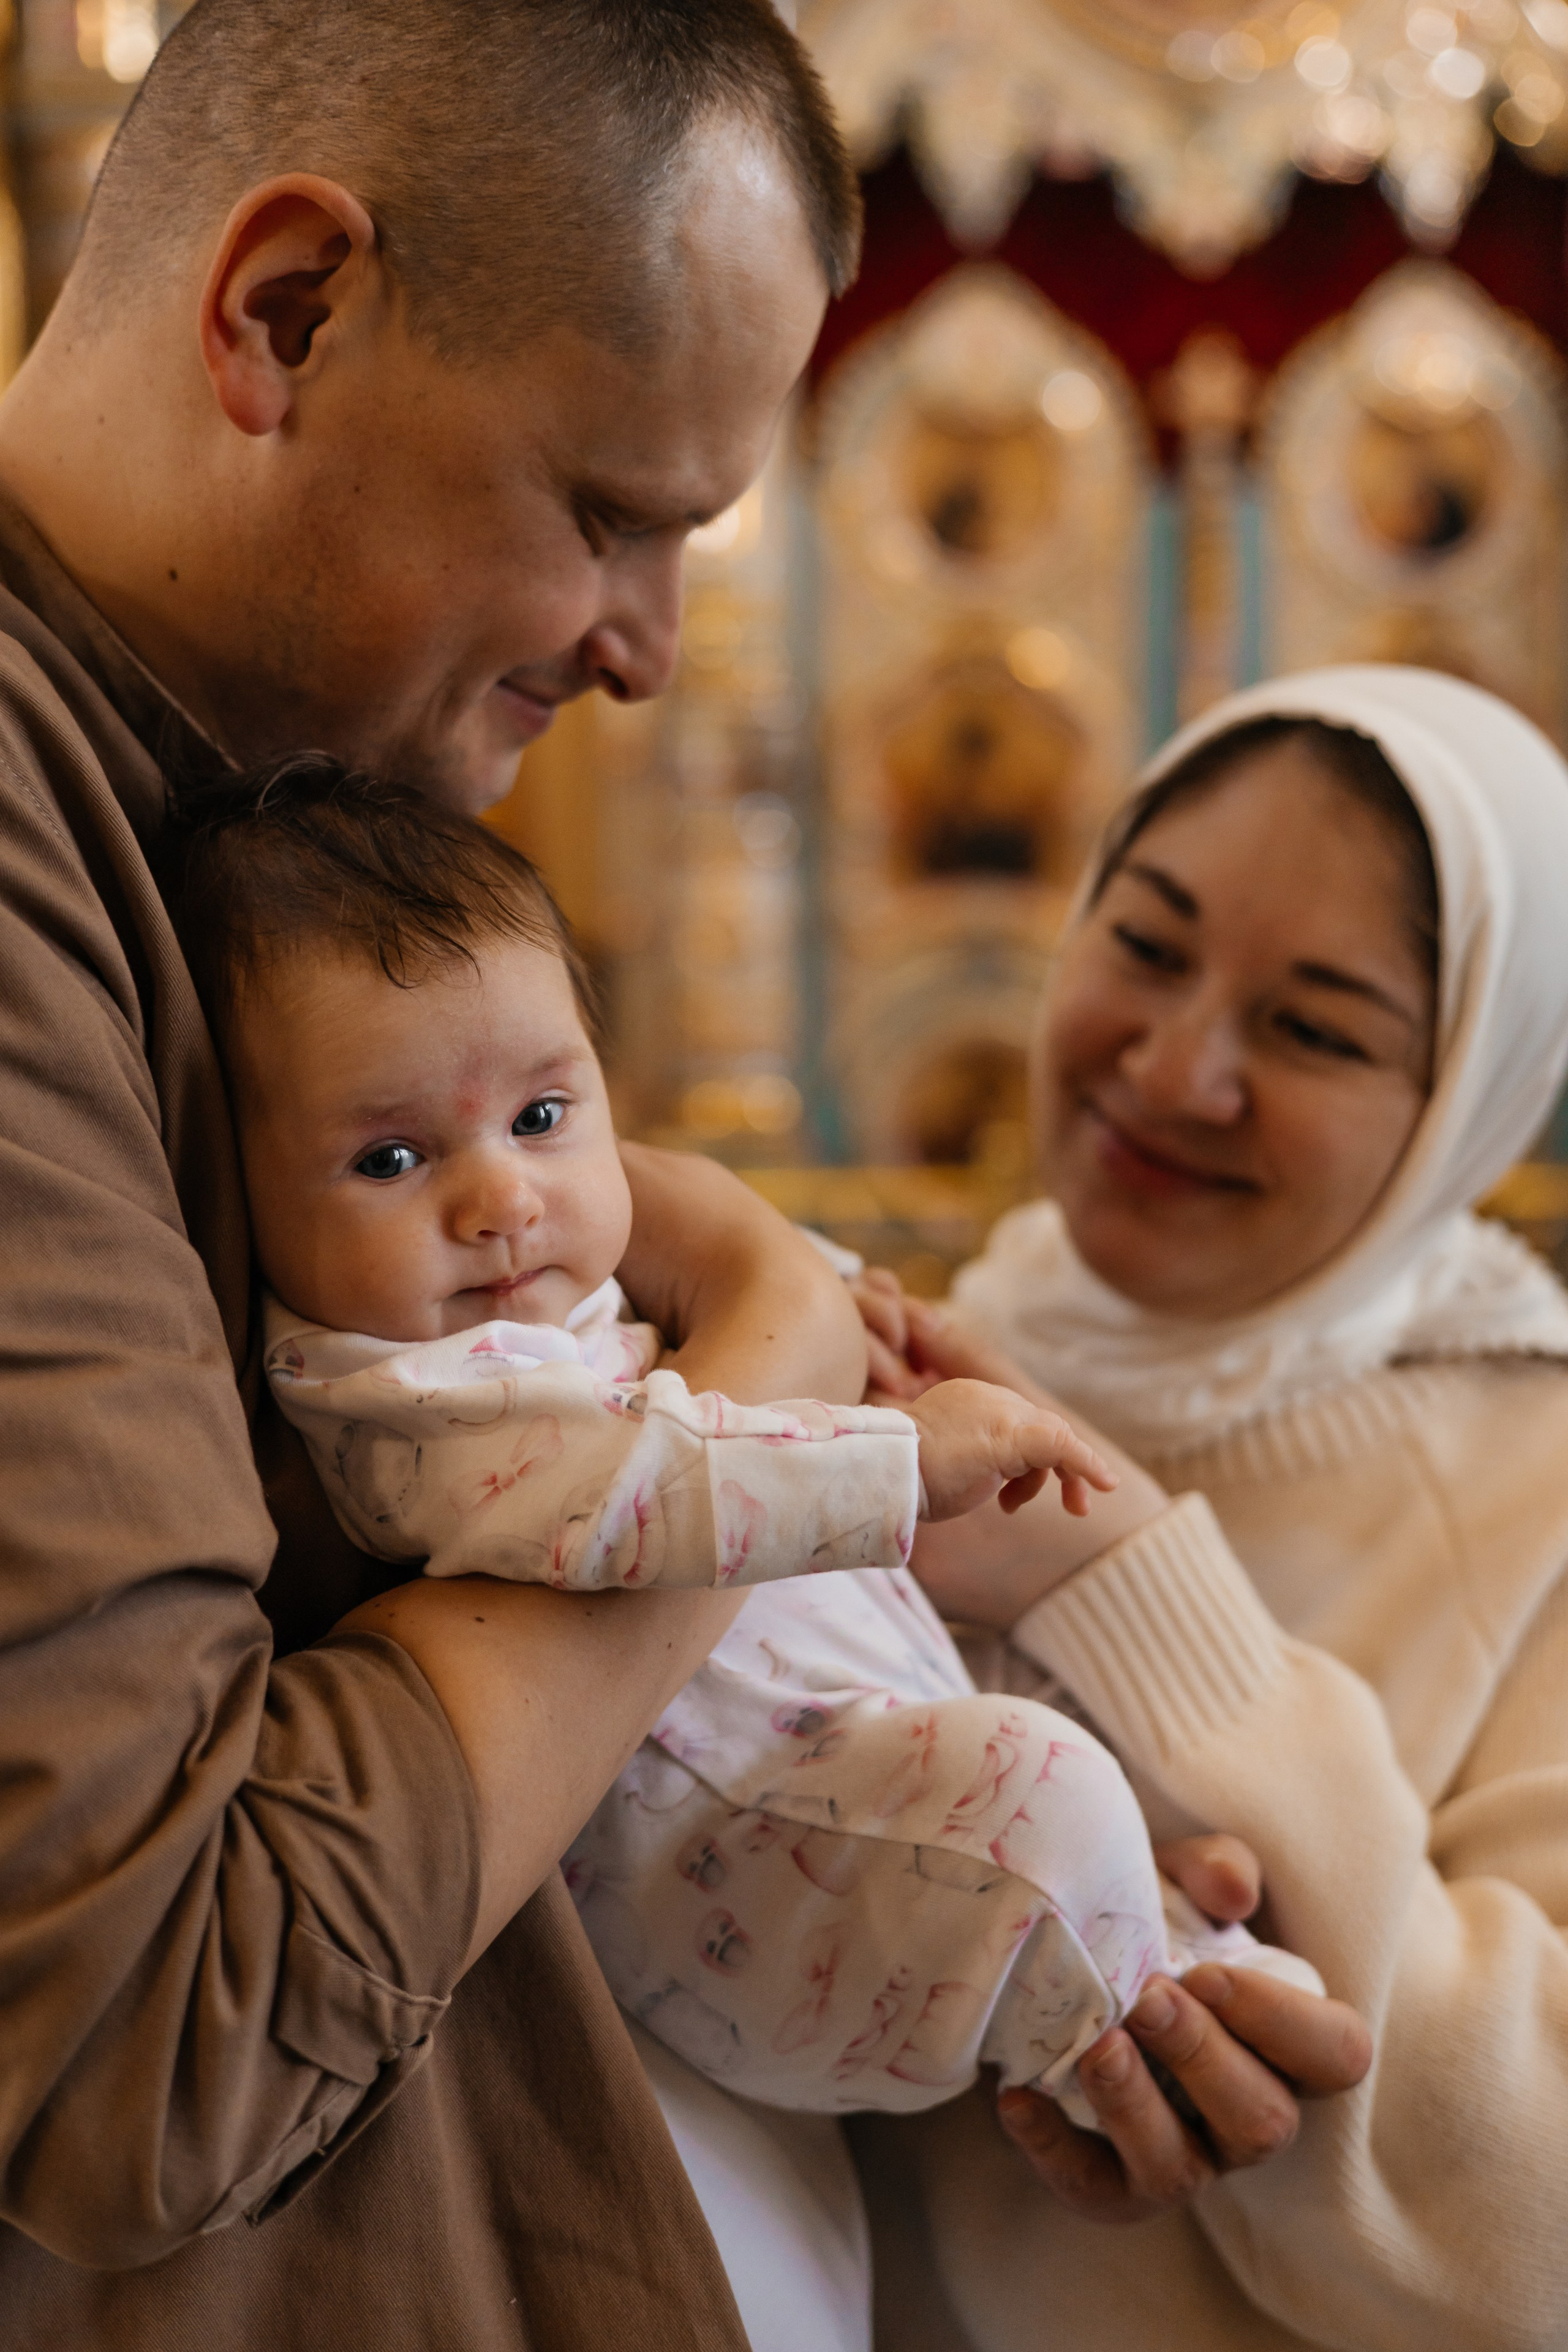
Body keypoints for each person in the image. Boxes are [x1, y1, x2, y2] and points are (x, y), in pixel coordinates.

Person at [0, 1, 1364, 2342]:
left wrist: (910, 1908)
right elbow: (161, 2031)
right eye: (616, 514)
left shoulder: (235, 811)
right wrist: (763, 1380)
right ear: (283, 315)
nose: (646, 651)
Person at [172, 752, 1315, 2136]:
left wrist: (841, 1300)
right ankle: (1140, 2019)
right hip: (743, 1867)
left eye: (541, 1119)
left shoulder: (517, 1298)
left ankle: (1166, 1959)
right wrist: (898, 1454)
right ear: (243, 1193)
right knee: (1054, 1788)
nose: (501, 1201)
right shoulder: (389, 1394)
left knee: (1066, 1779)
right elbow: (637, 1485)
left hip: (848, 1752)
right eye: (390, 1160)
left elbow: (725, 1311)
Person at [851, 665, 1568, 2351]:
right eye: (1150, 947)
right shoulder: (916, 1370)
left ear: (1467, 1101)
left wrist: (1126, 1592)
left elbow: (1532, 2232)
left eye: (1316, 1029)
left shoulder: (1537, 1482)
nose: (1176, 1071)